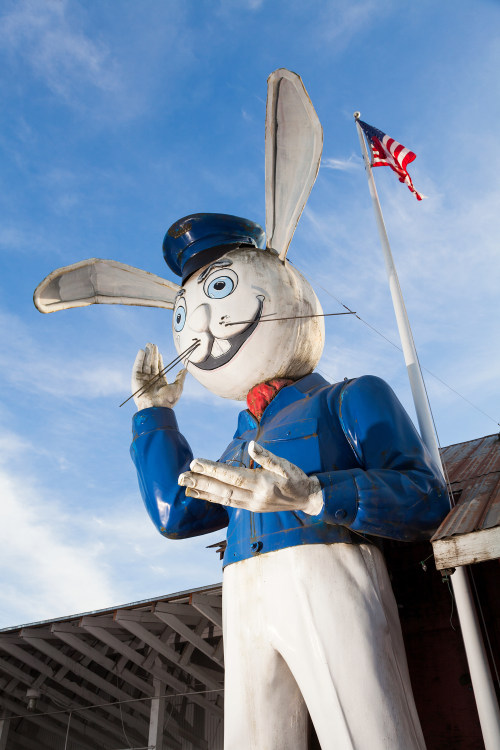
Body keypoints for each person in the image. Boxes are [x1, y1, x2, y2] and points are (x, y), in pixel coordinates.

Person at [130, 212, 449, 750]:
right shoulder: (238, 441)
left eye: (222, 290)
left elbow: (425, 499)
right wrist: (153, 415)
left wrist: (317, 494)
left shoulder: (350, 398)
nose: (203, 328)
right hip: (243, 592)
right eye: (187, 314)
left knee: (367, 729)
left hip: (328, 568)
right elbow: (175, 514)